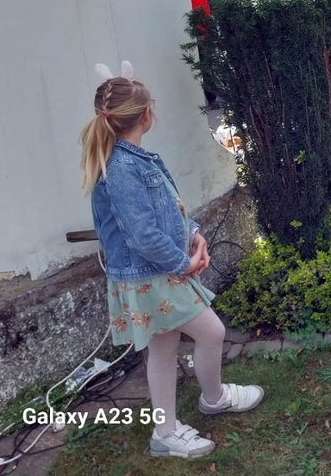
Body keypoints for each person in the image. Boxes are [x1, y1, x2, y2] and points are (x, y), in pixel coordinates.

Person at [80, 68, 264, 458]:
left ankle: (166, 431)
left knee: (163, 348)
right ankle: (213, 398)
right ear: (146, 115)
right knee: (211, 332)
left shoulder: (136, 160)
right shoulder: (122, 169)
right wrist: (184, 263)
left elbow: (167, 209)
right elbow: (142, 235)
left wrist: (194, 233)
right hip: (151, 274)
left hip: (157, 270)